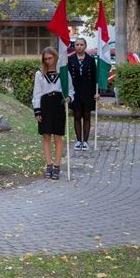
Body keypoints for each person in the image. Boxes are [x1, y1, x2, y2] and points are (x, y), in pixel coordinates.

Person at [32, 46, 74, 180]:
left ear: (56, 57)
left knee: (58, 136)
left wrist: (69, 98)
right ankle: (48, 165)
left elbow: (71, 90)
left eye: (50, 58)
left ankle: (57, 166)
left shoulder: (63, 72)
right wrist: (37, 110)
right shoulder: (40, 74)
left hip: (58, 105)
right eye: (45, 59)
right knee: (46, 136)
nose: (48, 61)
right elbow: (36, 94)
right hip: (45, 105)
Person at [69, 37, 98, 151]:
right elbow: (67, 77)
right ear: (74, 46)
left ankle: (85, 141)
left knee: (86, 116)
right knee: (77, 116)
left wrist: (97, 92)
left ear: (85, 46)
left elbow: (95, 77)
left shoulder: (90, 60)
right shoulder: (70, 59)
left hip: (88, 91)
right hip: (75, 91)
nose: (79, 47)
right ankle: (78, 141)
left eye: (81, 45)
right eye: (77, 45)